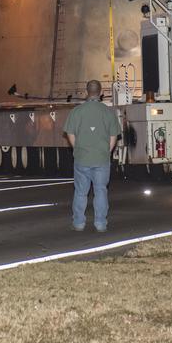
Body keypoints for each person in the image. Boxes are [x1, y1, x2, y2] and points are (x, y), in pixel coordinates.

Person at [63, 80, 120, 232]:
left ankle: (78, 223)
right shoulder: (108, 112)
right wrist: (106, 151)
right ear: (101, 93)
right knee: (100, 191)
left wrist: (77, 148)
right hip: (101, 158)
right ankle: (100, 223)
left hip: (82, 158)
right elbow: (113, 136)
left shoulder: (77, 111)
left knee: (80, 192)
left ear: (86, 92)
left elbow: (70, 133)